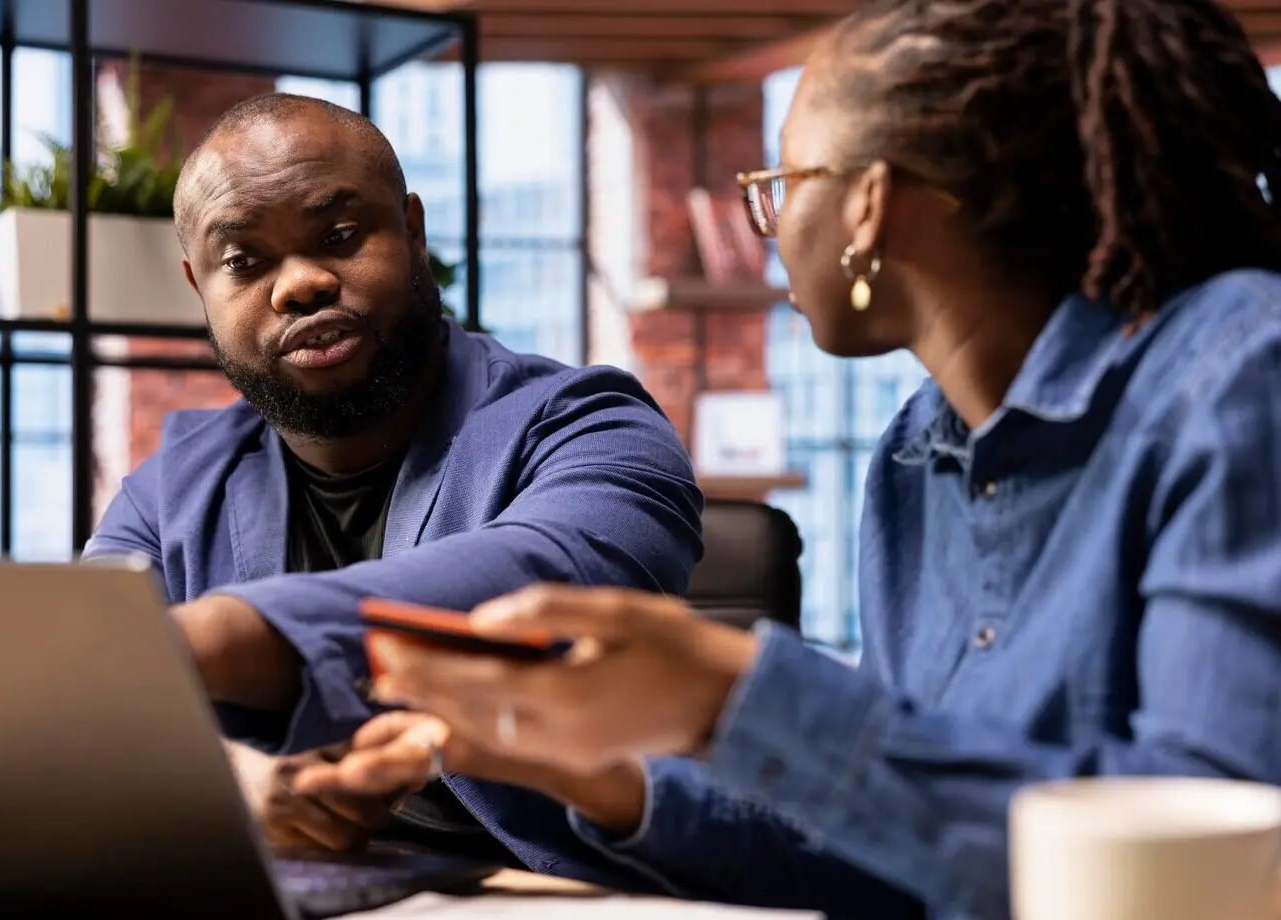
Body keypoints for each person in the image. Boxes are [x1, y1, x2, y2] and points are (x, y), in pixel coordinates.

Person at [292, 2, 1281, 918]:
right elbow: (885, 842)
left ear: (866, 208)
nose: (769, 232)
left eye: (780, 185)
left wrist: (732, 697)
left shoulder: (1240, 369)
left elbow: (1216, 863)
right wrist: (602, 771)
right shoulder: (913, 457)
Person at [84, 93, 921, 912]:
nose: (299, 283)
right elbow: (79, 712)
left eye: (340, 236)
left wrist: (206, 638)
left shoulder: (593, 426)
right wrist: (237, 780)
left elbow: (536, 588)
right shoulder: (171, 487)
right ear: (199, 287)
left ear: (411, 230)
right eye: (246, 262)